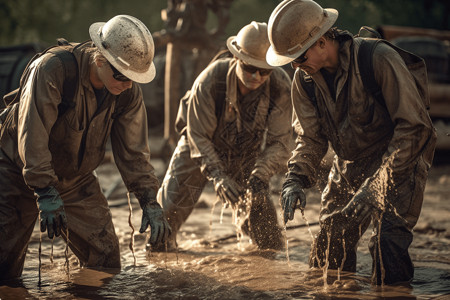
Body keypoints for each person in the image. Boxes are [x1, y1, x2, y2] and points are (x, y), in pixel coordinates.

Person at [266, 0, 437, 285]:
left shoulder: (377, 58)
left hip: (402, 157)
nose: (296, 66)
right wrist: (294, 179)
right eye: (291, 61)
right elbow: (310, 138)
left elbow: (414, 128)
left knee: (386, 246)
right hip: (351, 160)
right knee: (328, 245)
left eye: (299, 57)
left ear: (322, 42)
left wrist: (377, 186)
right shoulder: (304, 80)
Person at [0, 15, 171, 280]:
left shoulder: (127, 92)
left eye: (133, 78)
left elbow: (134, 152)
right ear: (101, 58)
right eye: (122, 75)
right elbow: (31, 135)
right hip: (14, 171)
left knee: (106, 259)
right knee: (4, 269)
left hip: (76, 180)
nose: (127, 84)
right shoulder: (52, 70)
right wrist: (44, 189)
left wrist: (149, 200)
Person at [157, 21, 293, 251]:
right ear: (237, 59)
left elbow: (280, 143)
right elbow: (198, 136)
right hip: (197, 146)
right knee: (165, 217)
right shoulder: (210, 81)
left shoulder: (280, 85)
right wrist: (218, 176)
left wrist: (260, 176)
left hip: (245, 152)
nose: (257, 76)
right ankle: (159, 256)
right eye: (250, 68)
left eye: (264, 70)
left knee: (268, 238)